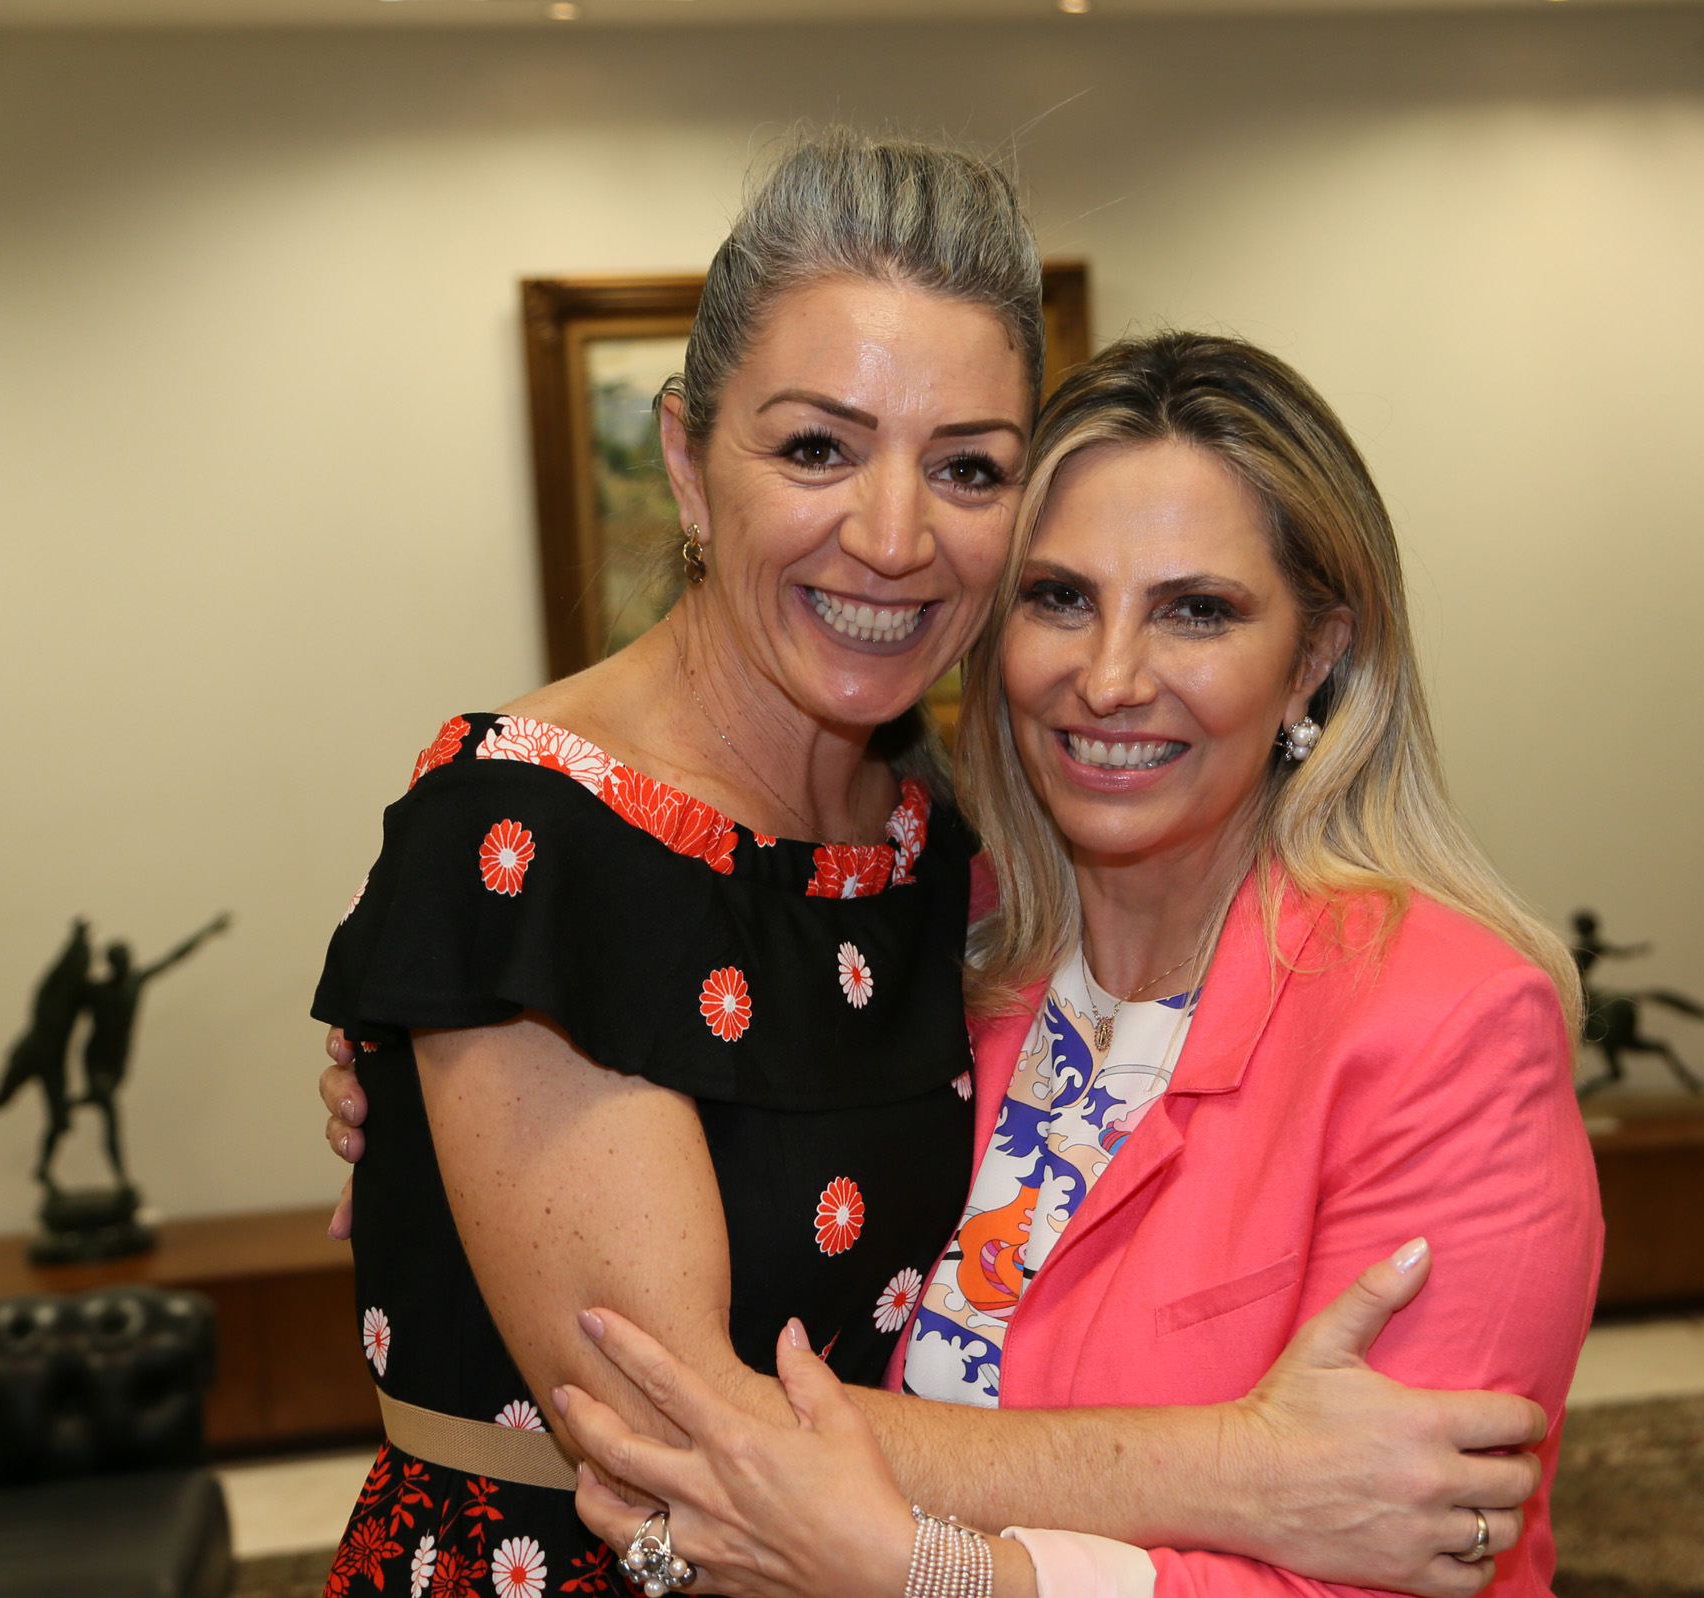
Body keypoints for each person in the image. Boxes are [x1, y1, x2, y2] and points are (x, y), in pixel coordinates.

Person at [313, 135, 1553, 1598]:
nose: (893, 537)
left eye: (966, 468)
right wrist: (1252, 1468)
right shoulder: (527, 834)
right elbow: (675, 1427)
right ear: (686, 462)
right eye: (816, 448)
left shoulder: (935, 855)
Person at [543, 331, 1605, 1598]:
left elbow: (1408, 1568)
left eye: (1196, 611)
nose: (1108, 679)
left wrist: (919, 1571)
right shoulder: (945, 937)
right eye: (1059, 598)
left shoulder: (1450, 1027)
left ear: (1316, 657)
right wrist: (402, 1073)